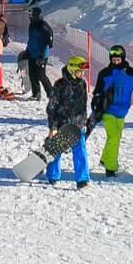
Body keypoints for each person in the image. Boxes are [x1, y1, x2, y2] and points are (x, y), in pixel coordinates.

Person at [89, 45, 133, 177]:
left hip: (122, 112)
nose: (116, 62)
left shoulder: (131, 73)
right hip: (108, 110)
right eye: (113, 59)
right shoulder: (105, 74)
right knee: (114, 137)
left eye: (118, 59)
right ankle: (111, 168)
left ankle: (105, 159)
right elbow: (97, 93)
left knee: (115, 138)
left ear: (123, 58)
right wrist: (96, 108)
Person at [44, 56, 91, 188]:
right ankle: (53, 176)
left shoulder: (82, 83)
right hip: (62, 124)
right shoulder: (60, 85)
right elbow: (51, 108)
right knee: (57, 149)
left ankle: (82, 179)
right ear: (72, 70)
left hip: (77, 125)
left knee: (80, 151)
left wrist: (84, 122)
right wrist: (53, 127)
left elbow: (83, 105)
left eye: (83, 72)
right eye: (79, 72)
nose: (82, 75)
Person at [23, 6, 55, 101]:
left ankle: (51, 94)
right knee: (32, 74)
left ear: (36, 15)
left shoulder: (43, 26)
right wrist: (27, 51)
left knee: (41, 75)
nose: (29, 17)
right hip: (32, 53)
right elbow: (31, 40)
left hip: (41, 55)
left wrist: (41, 56)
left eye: (31, 15)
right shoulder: (32, 25)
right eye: (29, 15)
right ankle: (36, 94)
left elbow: (47, 43)